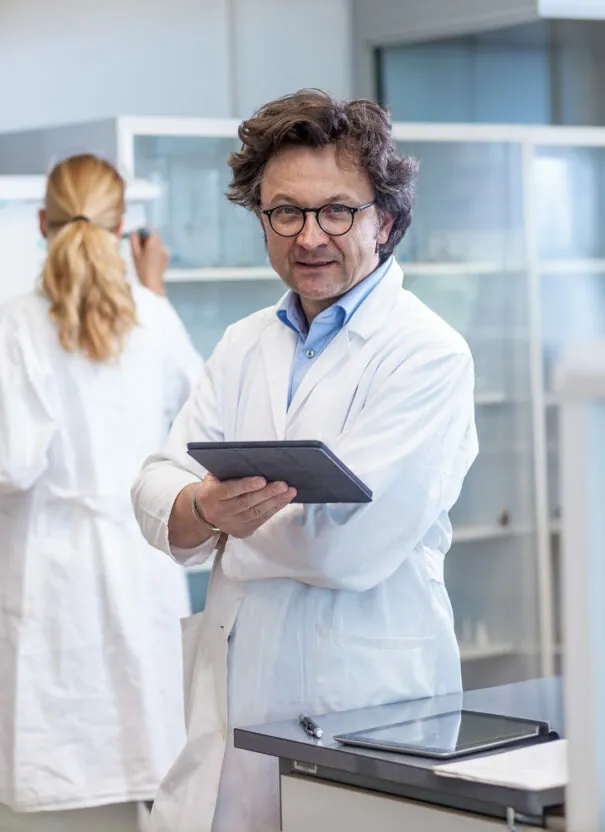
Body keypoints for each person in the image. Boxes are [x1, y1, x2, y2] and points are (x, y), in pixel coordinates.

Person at [131, 90, 479, 832]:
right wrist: (198, 509)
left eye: (337, 211)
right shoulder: (243, 342)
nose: (309, 236)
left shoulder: (428, 355)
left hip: (367, 701)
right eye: (284, 211)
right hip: (235, 700)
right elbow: (155, 487)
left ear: (384, 221)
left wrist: (221, 521)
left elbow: (348, 547)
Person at [0, 153, 203, 813]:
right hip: (141, 551)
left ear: (41, 222)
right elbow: (206, 419)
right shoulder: (152, 315)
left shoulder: (18, 322)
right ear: (123, 226)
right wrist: (153, 291)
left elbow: (8, 463)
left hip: (52, 563)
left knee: (58, 770)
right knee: (152, 758)